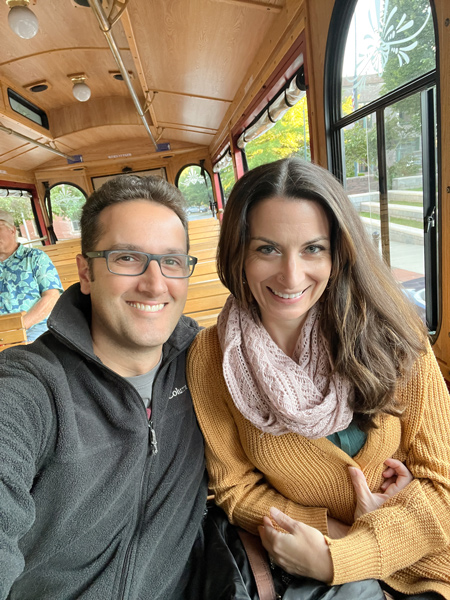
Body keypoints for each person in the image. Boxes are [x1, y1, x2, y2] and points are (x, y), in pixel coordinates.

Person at [187, 158, 450, 599]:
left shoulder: (394, 332)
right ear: (238, 252)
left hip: (430, 565)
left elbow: (442, 484)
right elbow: (234, 487)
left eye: (313, 249)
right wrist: (328, 534)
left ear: (338, 251)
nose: (291, 276)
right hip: (311, 569)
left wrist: (348, 552)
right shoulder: (211, 358)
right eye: (267, 249)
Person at [0, 175, 207, 599]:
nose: (154, 284)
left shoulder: (207, 365)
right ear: (86, 272)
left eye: (171, 261)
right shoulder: (29, 389)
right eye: (127, 258)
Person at [0, 209, 63, 342]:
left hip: (35, 330)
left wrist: (20, 327)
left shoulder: (35, 257)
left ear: (12, 230)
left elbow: (52, 296)